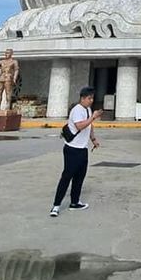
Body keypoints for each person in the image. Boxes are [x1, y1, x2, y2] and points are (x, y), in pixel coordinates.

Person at [50, 87, 101, 217]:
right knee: (67, 176)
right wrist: (93, 117)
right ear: (82, 98)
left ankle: (75, 202)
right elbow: (80, 126)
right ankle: (56, 206)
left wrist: (93, 139)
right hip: (72, 149)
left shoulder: (87, 110)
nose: (91, 101)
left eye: (92, 98)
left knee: (79, 177)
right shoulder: (77, 110)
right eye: (89, 98)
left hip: (82, 149)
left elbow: (89, 126)